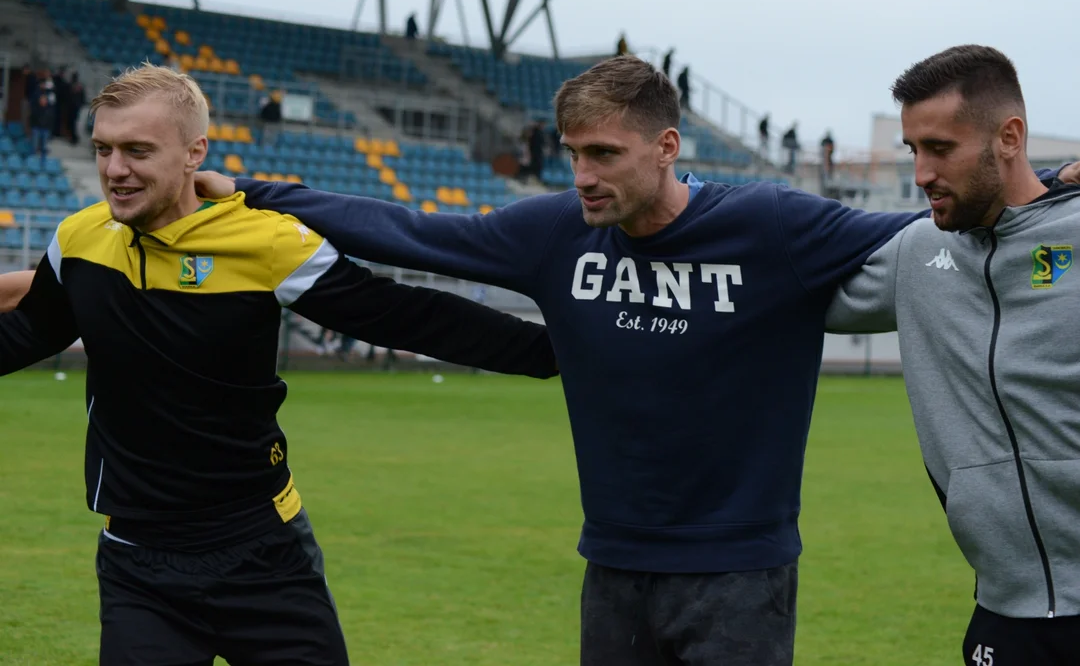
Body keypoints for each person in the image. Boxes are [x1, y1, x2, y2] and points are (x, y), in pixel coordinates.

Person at [191, 54, 928, 666]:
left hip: (739, 567)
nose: (582, 175)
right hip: (611, 562)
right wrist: (257, 192)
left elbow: (933, 226)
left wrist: (1036, 198)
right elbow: (410, 230)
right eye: (574, 153)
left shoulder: (769, 224)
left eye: (604, 154)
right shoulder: (554, 232)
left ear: (666, 148)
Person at [0, 64, 558, 666]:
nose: (114, 171)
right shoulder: (80, 239)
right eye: (104, 150)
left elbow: (403, 316)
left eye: (138, 150)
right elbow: (30, 331)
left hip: (261, 552)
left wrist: (555, 353)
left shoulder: (265, 242)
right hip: (139, 562)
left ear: (195, 153)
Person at [825, 45, 1080, 666]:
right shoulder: (916, 253)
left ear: (1009, 137)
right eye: (913, 150)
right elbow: (775, 298)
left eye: (940, 148)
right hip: (1004, 612)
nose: (921, 173)